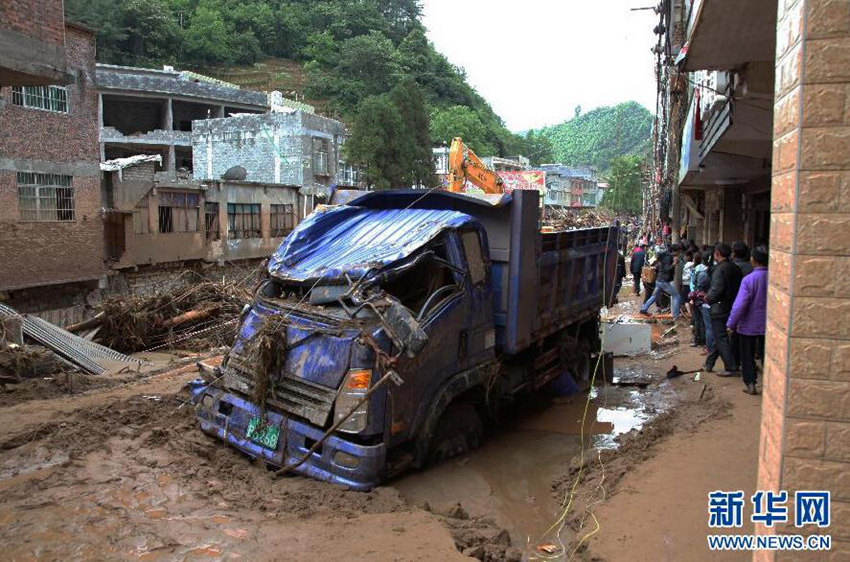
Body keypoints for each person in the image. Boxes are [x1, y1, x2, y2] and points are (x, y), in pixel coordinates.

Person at [727, 246, 769, 395]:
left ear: (754, 260)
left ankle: (751, 384)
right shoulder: (773, 277)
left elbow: (740, 305)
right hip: (769, 326)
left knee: (747, 355)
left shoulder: (749, 280)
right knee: (767, 356)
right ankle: (772, 385)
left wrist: (731, 323)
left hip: (748, 325)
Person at [704, 242, 744, 375]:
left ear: (717, 254)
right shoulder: (735, 267)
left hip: (720, 308)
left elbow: (716, 289)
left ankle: (731, 367)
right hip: (732, 306)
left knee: (721, 337)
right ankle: (709, 363)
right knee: (720, 337)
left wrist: (708, 298)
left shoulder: (720, 269)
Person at [639, 244, 682, 319]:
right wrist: (674, 264)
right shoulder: (668, 258)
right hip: (663, 281)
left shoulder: (665, 255)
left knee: (654, 296)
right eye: (679, 251)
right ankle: (675, 316)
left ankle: (643, 309)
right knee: (676, 296)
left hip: (659, 280)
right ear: (675, 251)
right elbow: (666, 269)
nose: (679, 253)